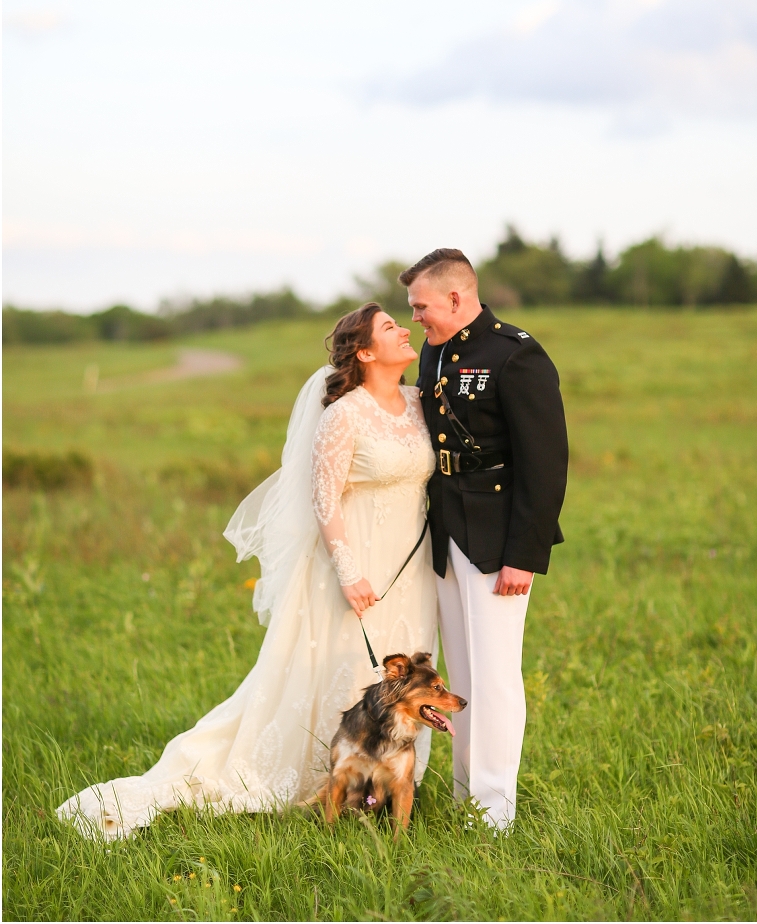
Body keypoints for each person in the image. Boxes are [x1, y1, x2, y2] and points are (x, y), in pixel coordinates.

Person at [57, 304, 438, 839]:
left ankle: (388, 779)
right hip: (353, 564)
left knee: (402, 670)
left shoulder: (421, 403)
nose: (404, 330)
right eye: (390, 328)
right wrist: (349, 573)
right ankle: (333, 778)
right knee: (345, 665)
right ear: (366, 352)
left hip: (410, 565)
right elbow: (323, 500)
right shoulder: (343, 415)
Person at [399, 248, 568, 828]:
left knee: (493, 677)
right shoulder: (436, 349)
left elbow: (545, 465)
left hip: (497, 540)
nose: (415, 316)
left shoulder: (516, 355)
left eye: (421, 305)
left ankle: (494, 811)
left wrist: (526, 554)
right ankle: (465, 795)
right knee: (461, 679)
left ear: (456, 296)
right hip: (447, 531)